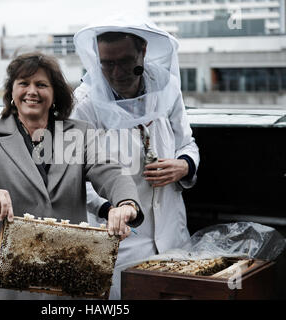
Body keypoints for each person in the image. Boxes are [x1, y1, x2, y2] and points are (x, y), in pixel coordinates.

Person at [0, 52, 144, 300]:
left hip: (71, 283)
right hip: (13, 287)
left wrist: (126, 205)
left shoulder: (79, 133)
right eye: (23, 83)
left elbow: (110, 172)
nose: (31, 91)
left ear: (54, 94)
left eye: (41, 85)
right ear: (11, 92)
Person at [72, 16, 200, 299]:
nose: (117, 72)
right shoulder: (84, 105)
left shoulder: (166, 87)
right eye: (108, 63)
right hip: (120, 242)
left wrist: (184, 165)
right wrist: (111, 208)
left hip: (172, 232)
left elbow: (187, 143)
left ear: (142, 50)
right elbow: (75, 178)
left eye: (126, 60)